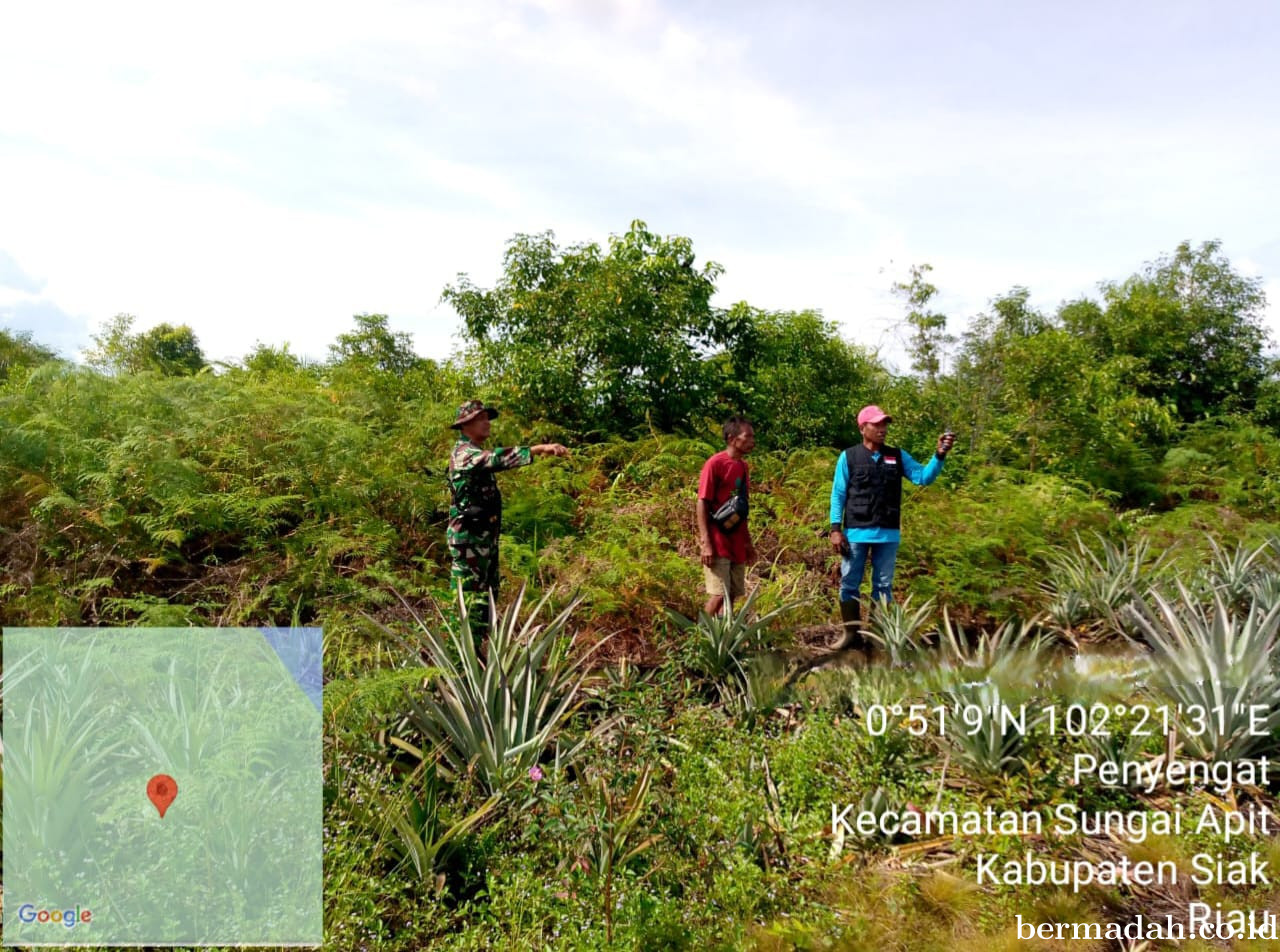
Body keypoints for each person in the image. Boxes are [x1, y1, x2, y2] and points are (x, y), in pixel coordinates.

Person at [828, 405, 954, 648]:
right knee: (849, 582)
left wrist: (939, 455)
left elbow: (922, 477)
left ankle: (878, 637)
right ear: (862, 428)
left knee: (883, 586)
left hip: (888, 534)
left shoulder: (897, 456)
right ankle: (851, 636)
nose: (882, 429)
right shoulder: (849, 457)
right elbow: (838, 494)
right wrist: (835, 529)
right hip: (855, 533)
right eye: (876, 424)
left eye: (884, 424)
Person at [446, 400, 568, 644]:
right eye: (481, 418)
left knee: (486, 600)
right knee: (468, 602)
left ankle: (480, 656)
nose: (486, 423)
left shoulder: (474, 451)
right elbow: (495, 459)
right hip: (469, 542)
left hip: (483, 541)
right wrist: (537, 449)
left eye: (487, 418)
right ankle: (461, 659)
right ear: (465, 424)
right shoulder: (464, 454)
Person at [696, 416, 758, 616]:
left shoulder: (743, 467)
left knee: (732, 593)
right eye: (747, 436)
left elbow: (742, 507)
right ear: (732, 438)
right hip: (718, 539)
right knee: (718, 593)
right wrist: (706, 543)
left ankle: (724, 640)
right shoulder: (715, 464)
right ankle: (700, 638)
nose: (752, 441)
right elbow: (702, 502)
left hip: (736, 539)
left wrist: (747, 542)